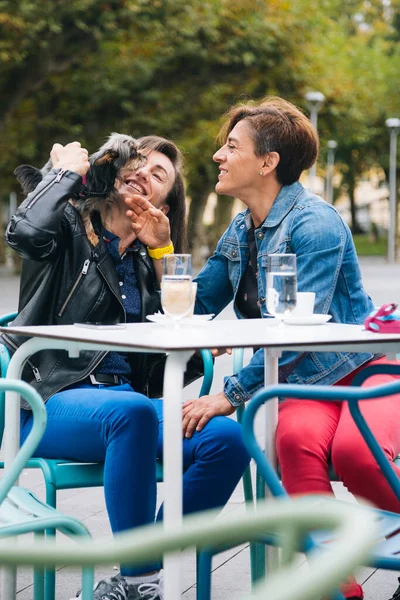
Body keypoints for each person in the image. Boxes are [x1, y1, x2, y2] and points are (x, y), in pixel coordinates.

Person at [4, 133, 250, 600]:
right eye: (137, 164)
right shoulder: (66, 227)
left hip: (125, 406)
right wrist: (64, 175)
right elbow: (23, 232)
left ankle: (140, 573)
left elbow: (176, 350)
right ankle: (141, 581)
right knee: (133, 413)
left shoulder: (142, 259)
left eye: (159, 174)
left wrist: (162, 252)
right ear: (115, 173)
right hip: (43, 399)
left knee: (229, 439)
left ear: (164, 199)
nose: (144, 174)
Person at [178, 96, 400, 600]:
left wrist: (229, 394)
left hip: (363, 369)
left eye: (231, 146)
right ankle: (339, 588)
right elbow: (198, 301)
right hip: (300, 381)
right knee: (294, 442)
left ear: (267, 162)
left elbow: (300, 330)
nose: (219, 156)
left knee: (358, 453)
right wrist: (158, 246)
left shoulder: (314, 223)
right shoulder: (242, 227)